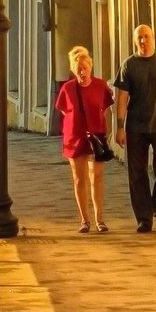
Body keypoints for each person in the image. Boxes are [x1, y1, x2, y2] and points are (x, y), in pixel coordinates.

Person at [115, 23, 156, 232]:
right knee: (137, 173)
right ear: (135, 41)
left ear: (153, 38)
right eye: (139, 38)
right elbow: (122, 98)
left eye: (146, 36)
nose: (143, 41)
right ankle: (144, 218)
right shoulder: (129, 66)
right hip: (136, 127)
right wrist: (119, 126)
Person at [53, 45, 113, 234]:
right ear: (73, 69)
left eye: (85, 68)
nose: (82, 72)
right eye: (78, 68)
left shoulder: (100, 86)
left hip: (96, 136)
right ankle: (84, 220)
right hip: (75, 137)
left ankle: (100, 219)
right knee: (79, 179)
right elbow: (63, 109)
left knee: (97, 177)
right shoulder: (68, 88)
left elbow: (105, 108)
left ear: (90, 67)